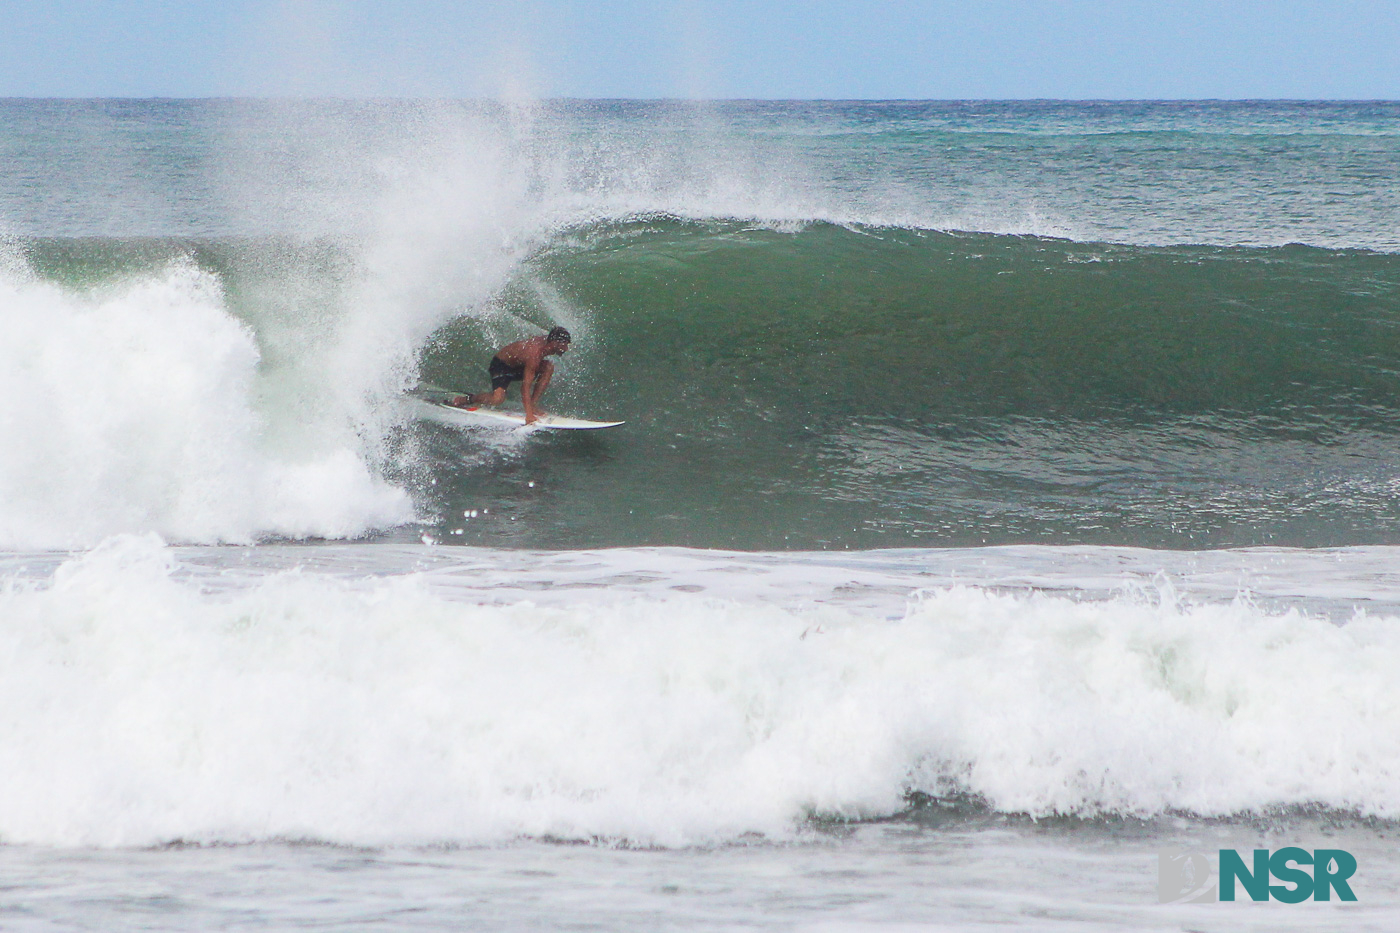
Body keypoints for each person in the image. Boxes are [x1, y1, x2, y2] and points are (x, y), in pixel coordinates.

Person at [450, 327, 572, 424]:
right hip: (501, 365)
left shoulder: (548, 343)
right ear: (555, 343)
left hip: (518, 366)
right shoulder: (535, 353)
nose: (566, 349)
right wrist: (528, 415)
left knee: (548, 367)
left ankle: (533, 405)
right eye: (564, 345)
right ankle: (467, 399)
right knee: (497, 399)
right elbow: (525, 387)